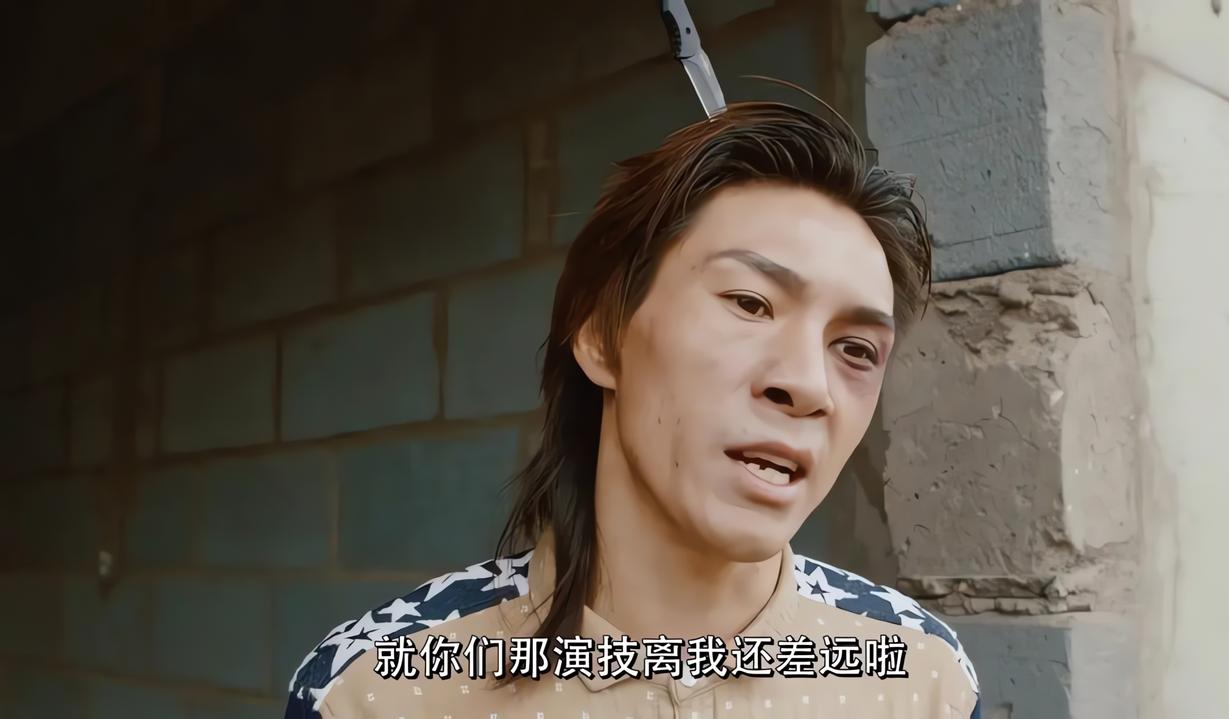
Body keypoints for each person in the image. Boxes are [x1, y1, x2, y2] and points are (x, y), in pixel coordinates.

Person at [285, 101, 981, 719]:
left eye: (855, 348)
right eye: (749, 303)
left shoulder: (921, 680)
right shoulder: (376, 689)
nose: (807, 385)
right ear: (602, 335)